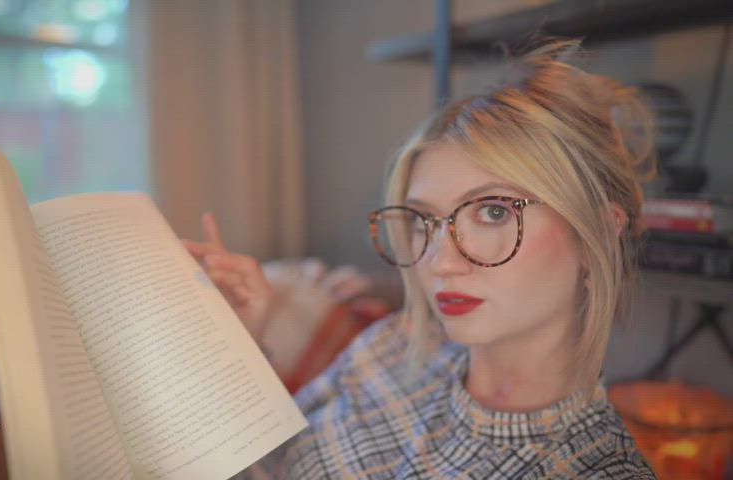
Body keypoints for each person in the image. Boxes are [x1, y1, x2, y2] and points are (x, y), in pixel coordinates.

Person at [183, 39, 658, 479]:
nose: (440, 262)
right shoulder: (393, 345)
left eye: (493, 211)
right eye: (424, 219)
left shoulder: (596, 470)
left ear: (599, 231)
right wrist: (239, 345)